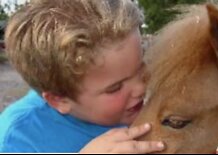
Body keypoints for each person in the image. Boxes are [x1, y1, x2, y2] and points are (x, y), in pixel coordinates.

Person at [0, 0, 164, 153]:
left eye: (141, 68)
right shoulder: (18, 139)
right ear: (60, 100)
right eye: (115, 88)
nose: (142, 88)